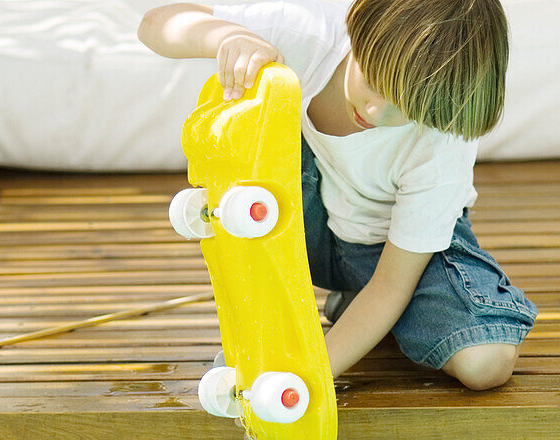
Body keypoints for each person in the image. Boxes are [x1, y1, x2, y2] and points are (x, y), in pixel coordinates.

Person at [138, 0, 538, 389]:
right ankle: (367, 314)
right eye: (374, 82)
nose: (376, 111)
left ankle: (362, 307)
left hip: (387, 252)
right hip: (298, 228)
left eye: (403, 108)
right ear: (358, 30)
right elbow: (157, 22)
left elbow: (391, 286)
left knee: (486, 362)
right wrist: (230, 37)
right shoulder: (310, 32)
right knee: (268, 104)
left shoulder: (440, 140)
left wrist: (307, 376)